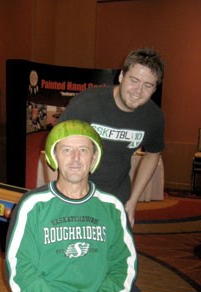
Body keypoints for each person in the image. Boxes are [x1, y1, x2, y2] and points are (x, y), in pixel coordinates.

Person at [3, 120, 165, 292]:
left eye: (83, 150)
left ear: (94, 157)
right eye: (66, 150)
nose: (75, 158)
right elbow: (21, 271)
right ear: (54, 157)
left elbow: (123, 268)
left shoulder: (111, 207)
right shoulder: (32, 205)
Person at [58, 48, 165, 227]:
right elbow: (54, 148)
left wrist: (133, 202)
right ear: (121, 76)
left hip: (116, 198)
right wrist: (58, 197)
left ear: (154, 88)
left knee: (113, 254)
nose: (138, 91)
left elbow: (153, 155)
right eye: (134, 80)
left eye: (148, 85)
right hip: (75, 194)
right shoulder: (87, 104)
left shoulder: (153, 117)